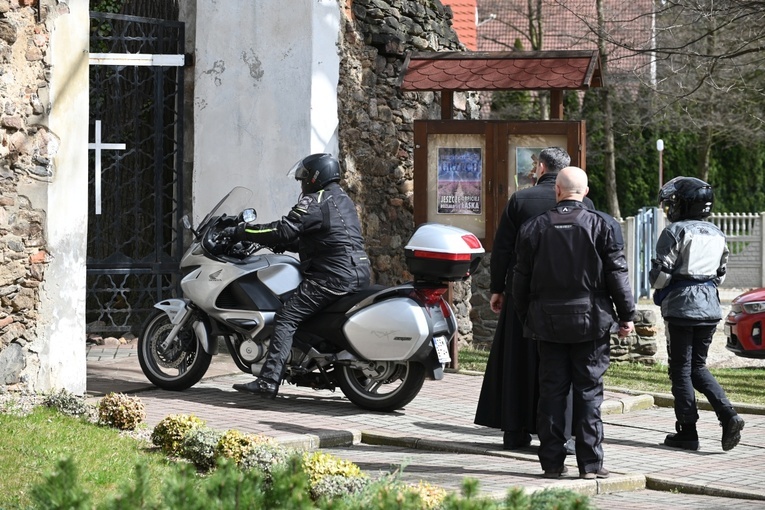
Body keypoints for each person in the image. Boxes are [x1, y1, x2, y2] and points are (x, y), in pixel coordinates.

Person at [512, 166, 635, 480]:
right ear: (587, 192)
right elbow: (617, 276)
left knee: (551, 392)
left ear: (557, 191)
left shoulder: (533, 227)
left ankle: (552, 464)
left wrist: (528, 317)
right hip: (591, 322)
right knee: (589, 393)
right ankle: (590, 465)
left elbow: (520, 281)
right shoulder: (603, 225)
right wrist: (626, 316)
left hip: (547, 322)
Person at [474, 147, 593, 452]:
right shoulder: (585, 203)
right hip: (568, 297)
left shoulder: (521, 200)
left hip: (522, 294)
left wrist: (498, 288)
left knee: (517, 362)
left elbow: (502, 249)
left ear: (541, 168)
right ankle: (560, 432)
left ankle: (515, 431)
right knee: (560, 367)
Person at [228, 153, 371, 399]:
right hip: (356, 272)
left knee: (286, 317)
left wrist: (242, 231)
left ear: (316, 176)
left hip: (330, 277)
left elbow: (283, 229)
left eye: (304, 177)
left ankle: (268, 380)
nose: (302, 183)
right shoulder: (343, 200)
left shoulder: (316, 200)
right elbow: (324, 238)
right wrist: (283, 245)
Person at [649, 176, 745, 451]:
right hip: (710, 307)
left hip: (681, 306)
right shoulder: (717, 233)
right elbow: (720, 275)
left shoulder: (674, 231)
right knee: (698, 367)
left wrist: (661, 284)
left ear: (683, 205)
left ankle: (687, 432)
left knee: (680, 370)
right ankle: (728, 414)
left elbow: (660, 275)